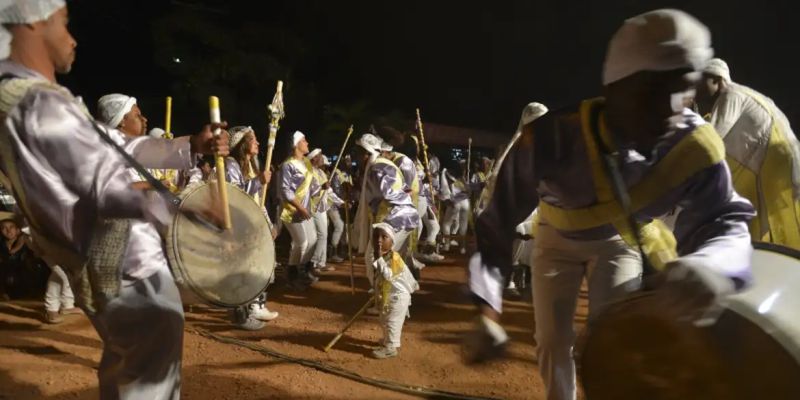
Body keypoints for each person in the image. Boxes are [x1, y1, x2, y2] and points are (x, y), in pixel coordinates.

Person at [468, 9, 755, 400]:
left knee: (616, 341)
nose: (672, 107)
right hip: (554, 240)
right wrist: (487, 309)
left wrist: (713, 262)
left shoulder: (696, 147)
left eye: (684, 89)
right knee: (552, 342)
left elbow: (726, 220)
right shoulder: (552, 137)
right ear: (615, 87)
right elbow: (496, 222)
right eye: (653, 91)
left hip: (618, 243)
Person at [0, 2, 229, 398]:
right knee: (149, 375)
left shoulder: (29, 99)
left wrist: (192, 144)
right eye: (63, 22)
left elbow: (120, 147)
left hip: (116, 257)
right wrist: (181, 209)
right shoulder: (39, 105)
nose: (70, 37)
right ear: (33, 23)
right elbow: (104, 185)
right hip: (124, 261)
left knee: (131, 368)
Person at [695, 58, 800, 249]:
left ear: (717, 79)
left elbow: (712, 138)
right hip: (774, 160)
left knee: (776, 216)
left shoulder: (731, 94)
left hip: (776, 160)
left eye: (699, 82)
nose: (696, 90)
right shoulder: (745, 93)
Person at [217, 126, 278, 329]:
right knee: (242, 267)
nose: (258, 143)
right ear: (243, 144)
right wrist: (259, 181)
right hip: (236, 224)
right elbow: (235, 195)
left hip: (251, 222)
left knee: (258, 264)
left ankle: (255, 305)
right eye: (253, 140)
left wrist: (268, 224)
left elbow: (256, 200)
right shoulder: (229, 165)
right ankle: (242, 313)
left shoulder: (251, 165)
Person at [352, 133, 419, 291]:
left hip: (397, 218)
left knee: (375, 257)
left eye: (358, 152)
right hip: (398, 217)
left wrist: (403, 193)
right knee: (387, 258)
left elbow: (389, 193)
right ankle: (400, 289)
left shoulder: (378, 167)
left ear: (366, 153)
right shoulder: (378, 165)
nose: (356, 156)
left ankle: (384, 296)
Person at [97, 94, 182, 193]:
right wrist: (152, 185)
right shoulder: (108, 153)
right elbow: (110, 189)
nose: (144, 119)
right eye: (137, 115)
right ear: (121, 121)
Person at [369, 222, 419, 359]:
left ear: (391, 242)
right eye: (376, 237)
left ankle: (391, 347)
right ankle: (387, 341)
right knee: (384, 320)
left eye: (383, 237)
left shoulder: (394, 258)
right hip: (389, 295)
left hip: (398, 297)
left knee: (392, 322)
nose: (379, 240)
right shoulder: (383, 256)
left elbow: (388, 275)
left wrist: (379, 258)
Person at [279, 131, 319, 290]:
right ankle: (292, 275)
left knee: (313, 240)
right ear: (296, 145)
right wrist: (300, 207)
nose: (307, 143)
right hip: (291, 210)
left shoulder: (306, 163)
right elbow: (285, 190)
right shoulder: (288, 165)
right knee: (301, 243)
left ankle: (304, 270)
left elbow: (311, 187)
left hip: (304, 210)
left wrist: (322, 188)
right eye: (304, 140)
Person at [0, 212, 48, 300]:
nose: (8, 230)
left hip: (24, 279)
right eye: (4, 228)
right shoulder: (2, 245)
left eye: (11, 227)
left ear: (18, 230)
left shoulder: (27, 243)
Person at [440, 160, 471, 254]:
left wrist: (446, 199)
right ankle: (462, 248)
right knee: (463, 226)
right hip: (465, 202)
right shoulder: (461, 176)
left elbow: (445, 187)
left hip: (454, 201)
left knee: (446, 224)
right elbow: (468, 190)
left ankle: (446, 245)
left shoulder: (446, 173)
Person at [327, 156, 352, 263]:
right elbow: (336, 192)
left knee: (345, 228)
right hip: (333, 205)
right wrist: (343, 203)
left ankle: (343, 251)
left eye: (349, 161)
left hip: (344, 204)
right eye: (346, 161)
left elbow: (350, 189)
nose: (349, 163)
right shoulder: (336, 174)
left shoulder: (347, 174)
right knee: (339, 226)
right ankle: (333, 253)